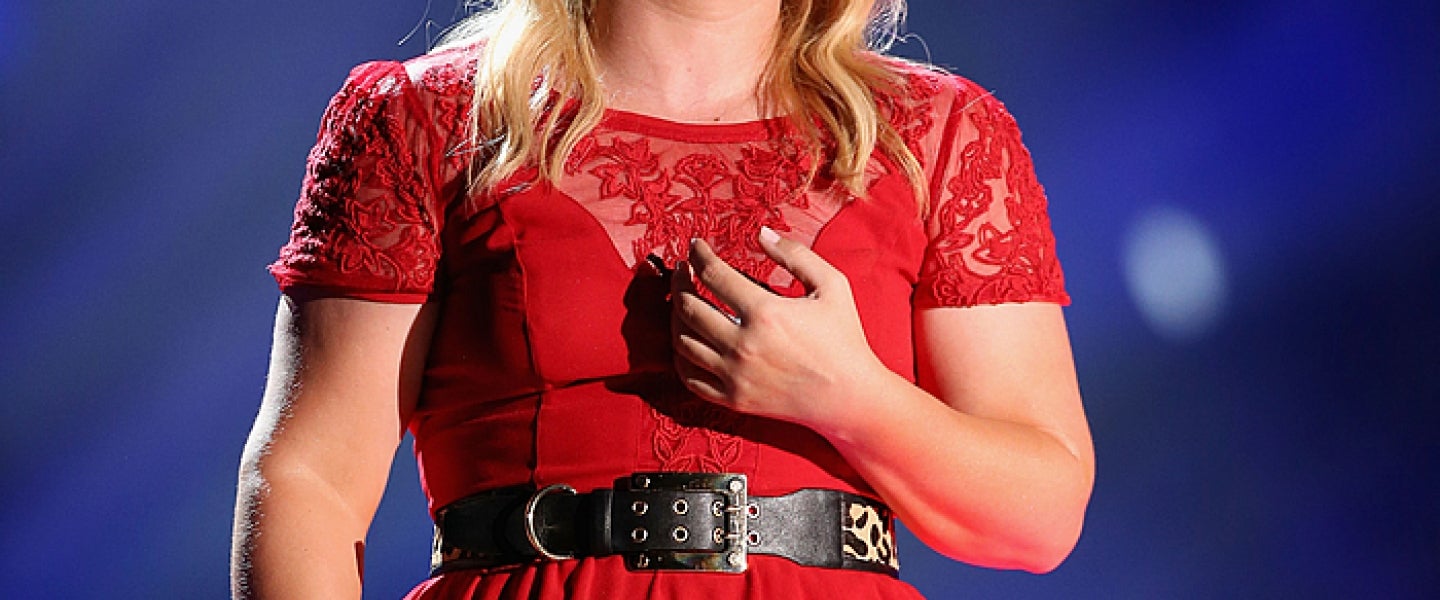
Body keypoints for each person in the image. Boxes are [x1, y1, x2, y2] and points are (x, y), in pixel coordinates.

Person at [230, 0, 1095, 598]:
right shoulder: (426, 119)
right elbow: (310, 480)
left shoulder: (940, 136)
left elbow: (1039, 516)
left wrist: (852, 398)